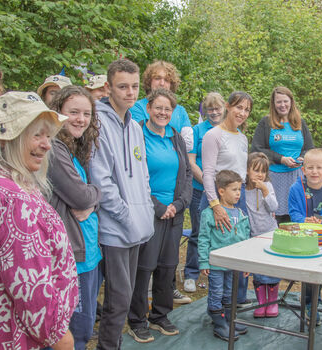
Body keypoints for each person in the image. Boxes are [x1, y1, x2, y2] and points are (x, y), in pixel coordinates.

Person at [0, 91, 78, 349]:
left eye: (48, 136)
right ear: (8, 139)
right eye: (36, 135)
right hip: (16, 334)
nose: (47, 144)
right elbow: (30, 287)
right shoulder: (9, 195)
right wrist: (62, 337)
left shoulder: (8, 183)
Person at [88, 59, 155, 349]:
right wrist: (126, 215)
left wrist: (146, 211)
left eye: (135, 86)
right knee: (118, 298)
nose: (130, 92)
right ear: (108, 87)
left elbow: (142, 174)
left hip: (138, 224)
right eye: (122, 86)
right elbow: (101, 179)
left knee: (126, 296)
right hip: (115, 227)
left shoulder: (136, 127)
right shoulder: (98, 123)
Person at [127, 89, 192, 342]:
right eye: (158, 108)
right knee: (144, 268)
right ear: (148, 108)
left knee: (167, 266)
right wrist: (158, 207)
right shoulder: (137, 134)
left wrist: (179, 203)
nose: (163, 113)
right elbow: (133, 175)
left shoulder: (175, 137)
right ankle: (137, 319)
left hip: (174, 213)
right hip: (148, 211)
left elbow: (186, 173)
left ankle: (160, 316)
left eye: (167, 109)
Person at [47, 86, 102, 350]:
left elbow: (87, 196)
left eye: (86, 113)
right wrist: (95, 195)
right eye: (73, 112)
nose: (81, 119)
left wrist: (93, 200)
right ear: (57, 113)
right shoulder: (54, 149)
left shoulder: (75, 148)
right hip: (71, 256)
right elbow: (81, 197)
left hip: (88, 250)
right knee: (71, 332)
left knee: (84, 326)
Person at [201, 91, 253, 307]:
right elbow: (208, 172)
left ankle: (237, 300)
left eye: (247, 110)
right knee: (221, 248)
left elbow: (242, 171)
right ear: (228, 107)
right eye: (239, 107)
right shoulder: (213, 135)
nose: (242, 113)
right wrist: (215, 205)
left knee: (239, 245)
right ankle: (217, 305)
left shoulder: (242, 138)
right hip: (218, 198)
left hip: (238, 197)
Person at [198, 170, 251, 341]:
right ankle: (218, 323)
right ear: (221, 191)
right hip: (216, 265)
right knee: (216, 292)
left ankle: (228, 318)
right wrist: (204, 262)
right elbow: (204, 239)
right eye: (234, 189)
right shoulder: (209, 214)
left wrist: (245, 264)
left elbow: (245, 241)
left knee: (230, 293)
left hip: (233, 265)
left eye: (239, 189)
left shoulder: (241, 214)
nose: (238, 193)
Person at [251, 86, 314, 223]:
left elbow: (309, 148)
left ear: (291, 102)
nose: (282, 105)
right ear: (273, 104)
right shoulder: (266, 123)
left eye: (285, 101)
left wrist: (302, 158)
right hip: (274, 176)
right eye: (279, 102)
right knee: (275, 215)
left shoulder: (300, 123)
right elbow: (256, 149)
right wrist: (281, 159)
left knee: (296, 215)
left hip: (297, 176)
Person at [288, 148, 322, 324]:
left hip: (321, 239)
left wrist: (319, 224)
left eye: (319, 167)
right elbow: (293, 213)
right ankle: (308, 302)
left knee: (318, 272)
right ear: (303, 169)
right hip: (300, 237)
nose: (314, 172)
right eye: (310, 167)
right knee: (306, 272)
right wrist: (304, 221)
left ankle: (312, 302)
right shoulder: (296, 188)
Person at [183, 92, 225, 293]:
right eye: (210, 109)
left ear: (224, 108)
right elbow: (191, 161)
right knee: (199, 232)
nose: (214, 112)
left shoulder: (229, 129)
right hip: (200, 189)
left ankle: (219, 272)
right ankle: (191, 273)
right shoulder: (197, 130)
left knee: (222, 233)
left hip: (224, 192)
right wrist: (209, 183)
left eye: (217, 108)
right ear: (205, 111)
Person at [245, 152, 280, 318]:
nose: (260, 174)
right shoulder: (243, 190)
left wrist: (265, 190)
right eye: (256, 170)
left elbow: (274, 208)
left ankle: (272, 303)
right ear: (247, 170)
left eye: (263, 171)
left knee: (271, 269)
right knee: (258, 272)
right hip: (253, 236)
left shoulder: (268, 186)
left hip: (270, 234)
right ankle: (261, 303)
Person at [130, 60, 193, 151]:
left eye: (166, 80)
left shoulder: (180, 111)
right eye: (157, 78)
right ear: (149, 81)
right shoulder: (137, 107)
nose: (162, 83)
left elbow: (188, 144)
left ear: (171, 84)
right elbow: (139, 139)